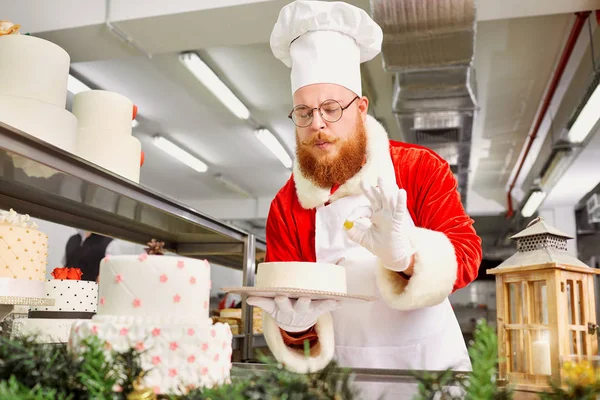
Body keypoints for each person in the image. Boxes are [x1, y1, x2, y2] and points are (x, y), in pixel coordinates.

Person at [246, 0, 482, 380]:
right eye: (303, 112)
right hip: (344, 379)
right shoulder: (287, 205)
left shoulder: (418, 167)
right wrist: (294, 326)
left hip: (430, 368)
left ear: (361, 108)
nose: (317, 124)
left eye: (331, 108)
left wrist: (406, 259)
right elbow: (298, 331)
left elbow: (467, 251)